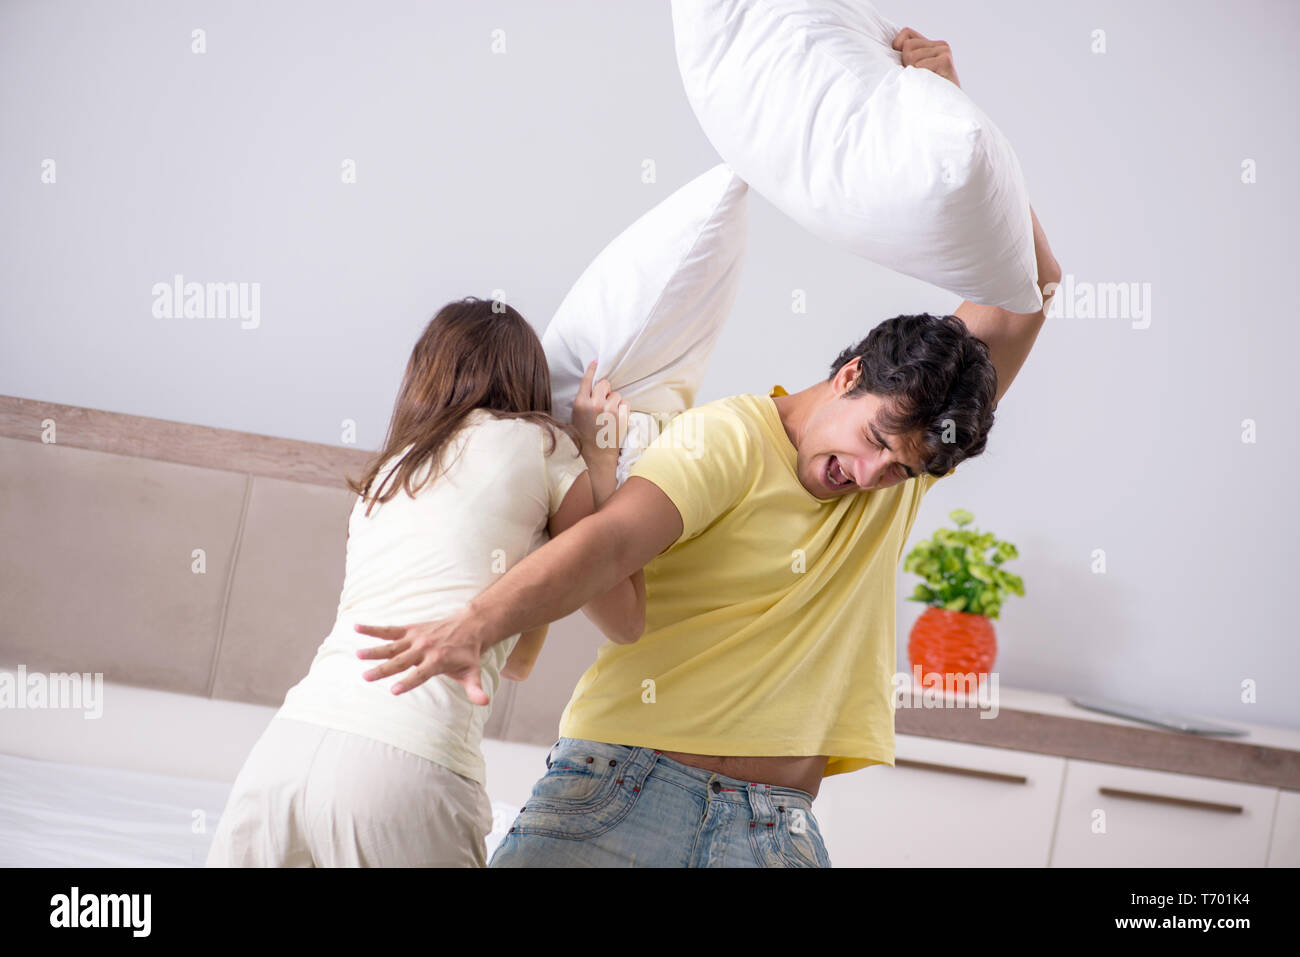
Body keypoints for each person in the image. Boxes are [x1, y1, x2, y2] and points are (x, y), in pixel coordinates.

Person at [353, 30, 1062, 867]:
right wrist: (476, 621)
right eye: (873, 441)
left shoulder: (900, 469)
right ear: (849, 373)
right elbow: (609, 543)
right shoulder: (729, 438)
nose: (871, 477)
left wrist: (947, 106)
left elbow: (1030, 291)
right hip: (626, 791)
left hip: (778, 830)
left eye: (901, 469)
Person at [205, 297, 645, 867]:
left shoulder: (389, 473)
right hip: (405, 763)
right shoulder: (545, 446)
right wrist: (599, 463)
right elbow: (626, 618)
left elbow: (515, 658)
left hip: (284, 756)